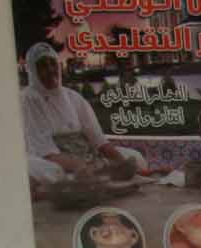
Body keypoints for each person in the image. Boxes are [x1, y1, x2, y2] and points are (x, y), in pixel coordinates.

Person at [18, 42, 142, 193]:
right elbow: (45, 152)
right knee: (54, 172)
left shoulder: (73, 97)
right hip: (52, 161)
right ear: (32, 71)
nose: (50, 70)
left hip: (86, 159)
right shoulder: (28, 100)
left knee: (135, 158)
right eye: (43, 65)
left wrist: (122, 163)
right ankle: (93, 184)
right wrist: (81, 166)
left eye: (53, 63)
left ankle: (94, 184)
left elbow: (98, 140)